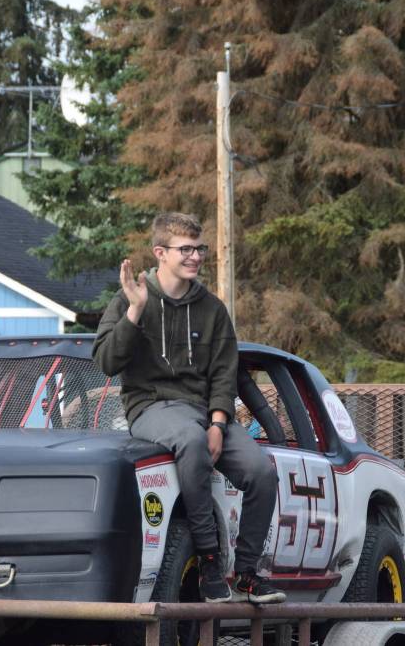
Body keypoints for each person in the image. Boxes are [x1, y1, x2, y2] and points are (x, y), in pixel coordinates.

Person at [92, 212, 285, 604]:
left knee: (261, 470)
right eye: (186, 250)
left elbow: (224, 375)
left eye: (199, 249)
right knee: (192, 441)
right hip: (152, 407)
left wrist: (218, 422)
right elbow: (107, 363)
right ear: (160, 252)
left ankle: (247, 573)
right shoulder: (132, 296)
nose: (195, 256)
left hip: (203, 412)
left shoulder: (213, 309)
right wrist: (133, 312)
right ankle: (210, 560)